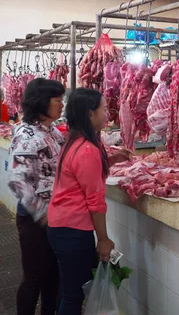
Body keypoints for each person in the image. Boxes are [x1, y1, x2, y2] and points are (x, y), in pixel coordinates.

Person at [47, 88, 131, 315]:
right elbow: (95, 201)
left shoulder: (77, 141)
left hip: (62, 226)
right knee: (74, 296)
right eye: (103, 109)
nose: (107, 114)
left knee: (69, 290)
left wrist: (110, 159)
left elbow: (82, 176)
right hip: (71, 229)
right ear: (90, 114)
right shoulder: (86, 149)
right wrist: (103, 239)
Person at [7, 78, 65, 315]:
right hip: (35, 220)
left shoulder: (50, 131)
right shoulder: (28, 134)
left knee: (53, 275)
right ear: (42, 102)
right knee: (34, 278)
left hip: (52, 215)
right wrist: (43, 215)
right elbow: (17, 180)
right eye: (57, 100)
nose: (61, 105)